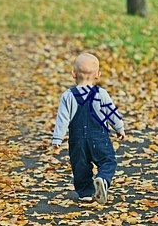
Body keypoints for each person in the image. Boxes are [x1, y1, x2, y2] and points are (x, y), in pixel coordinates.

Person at [52, 53, 125, 204]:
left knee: (80, 166)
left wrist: (57, 138)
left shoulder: (68, 96)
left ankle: (85, 193)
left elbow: (62, 119)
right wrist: (119, 128)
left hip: (77, 140)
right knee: (108, 161)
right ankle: (103, 179)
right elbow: (111, 112)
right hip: (99, 137)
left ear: (74, 73)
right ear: (98, 75)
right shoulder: (101, 93)